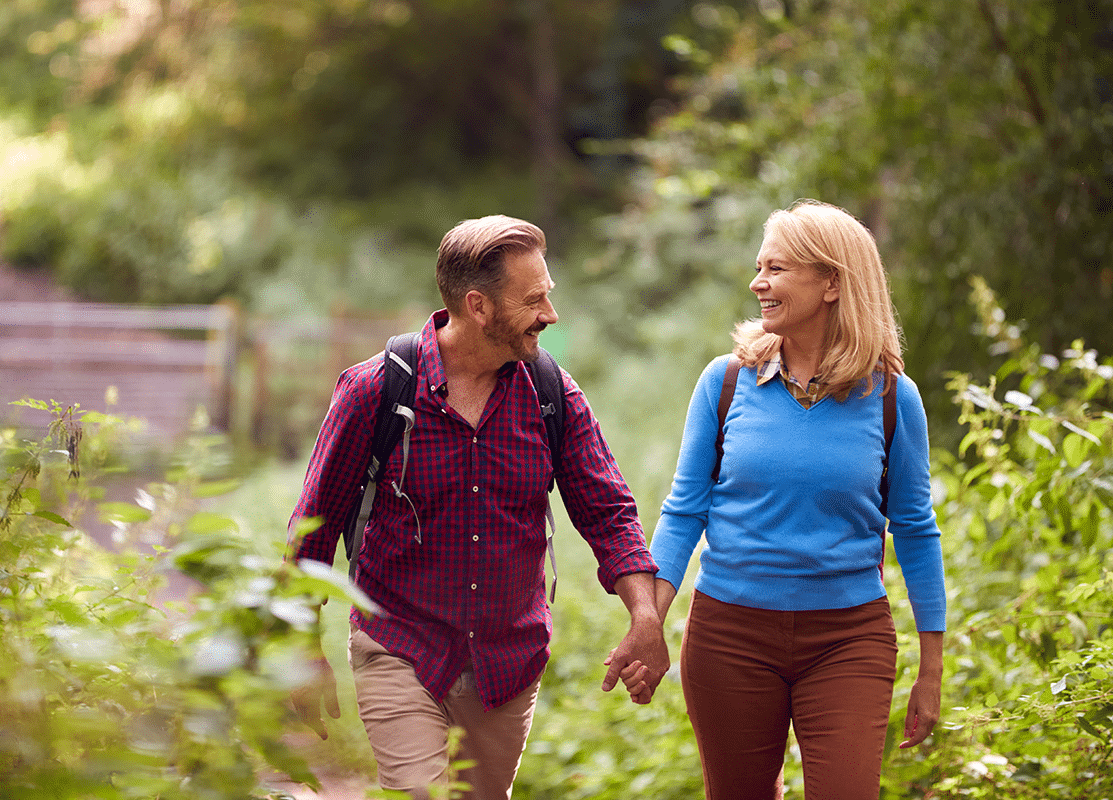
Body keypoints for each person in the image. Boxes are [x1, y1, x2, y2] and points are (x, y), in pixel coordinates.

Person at [287, 215, 669, 800]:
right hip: (400, 646)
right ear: (479, 307)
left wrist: (644, 614)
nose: (550, 314)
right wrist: (298, 644)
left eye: (547, 295)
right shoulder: (375, 392)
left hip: (506, 663)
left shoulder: (551, 394)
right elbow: (313, 526)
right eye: (533, 300)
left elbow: (607, 510)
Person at [625, 200, 945, 799]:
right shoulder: (724, 382)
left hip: (849, 639)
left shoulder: (891, 398)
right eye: (758, 267)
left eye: (776, 269)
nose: (758, 283)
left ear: (831, 283)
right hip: (729, 636)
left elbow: (916, 530)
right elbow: (685, 510)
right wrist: (649, 620)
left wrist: (931, 668)